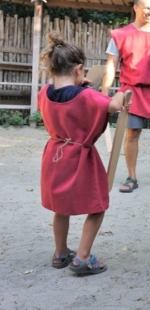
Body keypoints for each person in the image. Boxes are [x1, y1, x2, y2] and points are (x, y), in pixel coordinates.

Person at [39, 33, 128, 275]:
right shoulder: (87, 96)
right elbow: (113, 105)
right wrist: (122, 91)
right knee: (97, 205)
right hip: (79, 158)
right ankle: (83, 257)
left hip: (54, 154)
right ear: (79, 69)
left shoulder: (44, 93)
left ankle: (60, 253)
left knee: (61, 207)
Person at [102, 0, 150, 193]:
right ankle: (131, 177)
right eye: (146, 8)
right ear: (135, 8)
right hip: (132, 90)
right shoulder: (120, 35)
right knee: (132, 133)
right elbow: (111, 65)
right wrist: (104, 93)